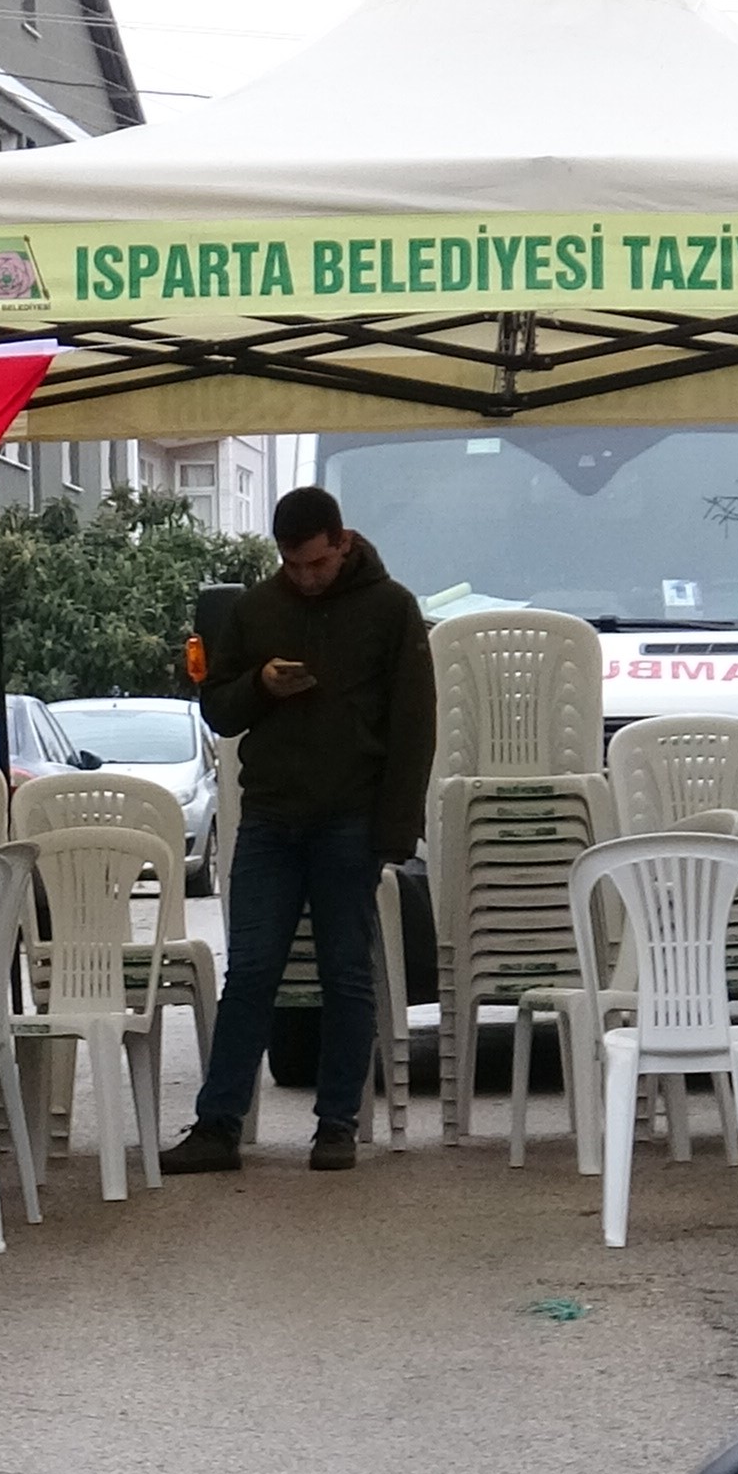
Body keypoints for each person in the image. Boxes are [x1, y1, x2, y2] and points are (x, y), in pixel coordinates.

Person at [161, 485, 433, 1177]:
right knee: (250, 972)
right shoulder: (257, 609)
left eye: (316, 562)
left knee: (346, 974)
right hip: (271, 818)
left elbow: (413, 728)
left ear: (342, 543)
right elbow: (219, 710)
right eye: (292, 564)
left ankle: (336, 1126)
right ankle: (219, 1125)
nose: (306, 576)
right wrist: (258, 684)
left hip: (350, 818)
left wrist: (393, 835)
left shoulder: (392, 609)